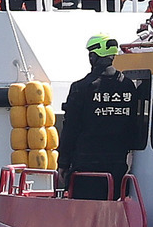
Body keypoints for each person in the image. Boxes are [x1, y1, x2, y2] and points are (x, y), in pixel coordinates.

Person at [58, 34, 142, 200]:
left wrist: (63, 163)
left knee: (85, 217)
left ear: (93, 57)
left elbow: (70, 129)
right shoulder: (128, 86)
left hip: (86, 168)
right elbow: (133, 125)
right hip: (118, 167)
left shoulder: (81, 88)